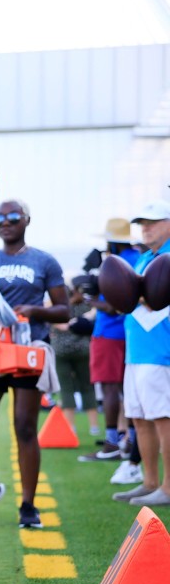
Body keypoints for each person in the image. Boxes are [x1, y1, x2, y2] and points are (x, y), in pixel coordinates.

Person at [0, 199, 69, 529]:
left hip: (29, 350)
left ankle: (28, 505)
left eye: (13, 217)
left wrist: (35, 311)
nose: (5, 222)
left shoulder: (44, 260)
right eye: (0, 218)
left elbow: (65, 310)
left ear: (26, 220)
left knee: (25, 426)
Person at [113, 200, 170, 506]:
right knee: (138, 417)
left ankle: (168, 486)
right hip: (136, 351)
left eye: (153, 222)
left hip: (161, 351)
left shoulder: (167, 256)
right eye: (142, 223)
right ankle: (149, 481)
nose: (146, 228)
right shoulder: (144, 257)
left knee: (163, 417)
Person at [79, 218, 142, 463]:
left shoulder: (116, 263)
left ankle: (113, 441)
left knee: (109, 387)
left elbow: (115, 306)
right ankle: (130, 438)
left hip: (109, 334)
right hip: (128, 334)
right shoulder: (138, 258)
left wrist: (89, 299)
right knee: (128, 389)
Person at [50, 276, 101, 440]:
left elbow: (53, 321)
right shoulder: (87, 306)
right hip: (82, 351)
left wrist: (68, 324)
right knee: (87, 387)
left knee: (66, 389)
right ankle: (94, 427)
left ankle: (70, 427)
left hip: (61, 351)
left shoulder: (60, 306)